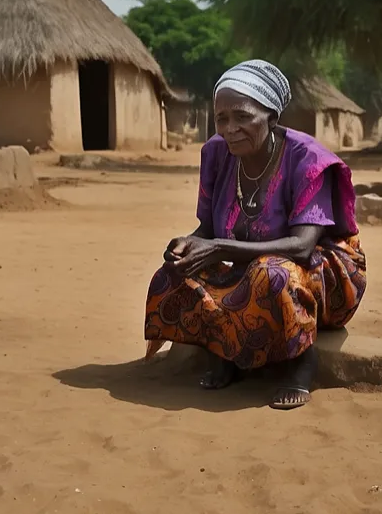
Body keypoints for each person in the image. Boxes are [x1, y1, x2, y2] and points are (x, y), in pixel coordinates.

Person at [144, 60, 367, 410]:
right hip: (253, 262)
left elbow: (303, 246)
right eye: (221, 118)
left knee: (271, 274)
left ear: (272, 117)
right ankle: (226, 352)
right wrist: (189, 244)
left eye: (242, 117)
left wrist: (217, 247)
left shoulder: (307, 160)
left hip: (323, 273)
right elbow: (209, 230)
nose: (230, 128)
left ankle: (301, 364)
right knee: (176, 272)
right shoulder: (217, 155)